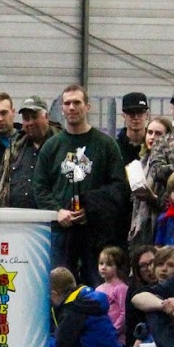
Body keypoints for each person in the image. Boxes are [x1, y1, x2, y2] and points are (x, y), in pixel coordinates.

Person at [34, 84, 125, 286]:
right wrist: (57, 211)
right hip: (61, 231)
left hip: (96, 232)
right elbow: (39, 187)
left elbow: (119, 186)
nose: (72, 107)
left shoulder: (106, 145)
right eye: (67, 103)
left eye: (77, 102)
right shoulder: (51, 146)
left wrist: (92, 209)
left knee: (99, 286)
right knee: (60, 287)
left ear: (88, 107)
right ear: (62, 109)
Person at [47, 267, 119, 347]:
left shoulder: (74, 310)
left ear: (54, 294)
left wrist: (42, 342)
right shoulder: (85, 299)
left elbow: (62, 343)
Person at [0, 96, 55, 209]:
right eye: (26, 118)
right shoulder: (14, 147)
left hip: (50, 220)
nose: (30, 122)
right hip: (17, 220)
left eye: (34, 117)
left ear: (47, 117)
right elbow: (1, 185)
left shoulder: (59, 146)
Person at [95, 246, 130, 345]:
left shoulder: (121, 288)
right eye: (101, 263)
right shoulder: (98, 289)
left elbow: (124, 313)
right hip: (101, 335)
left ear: (118, 267)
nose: (103, 267)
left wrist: (114, 330)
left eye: (109, 264)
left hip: (116, 339)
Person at [116, 92, 150, 167]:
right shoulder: (115, 148)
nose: (136, 117)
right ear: (123, 116)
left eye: (140, 113)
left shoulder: (153, 145)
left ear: (147, 115)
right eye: (131, 113)